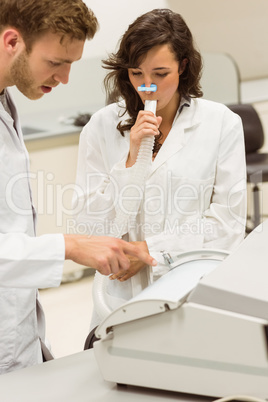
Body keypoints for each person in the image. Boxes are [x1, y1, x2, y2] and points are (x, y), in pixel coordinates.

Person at [0, 0, 156, 374]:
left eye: (72, 64)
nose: (65, 78)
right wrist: (69, 246)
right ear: (11, 42)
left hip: (19, 333)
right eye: (56, 63)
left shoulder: (6, 100)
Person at [73, 9, 247, 343]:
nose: (147, 86)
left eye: (160, 73)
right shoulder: (101, 127)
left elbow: (227, 225)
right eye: (137, 73)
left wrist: (149, 249)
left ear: (183, 66)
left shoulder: (221, 123)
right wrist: (130, 157)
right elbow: (87, 226)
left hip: (189, 290)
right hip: (116, 300)